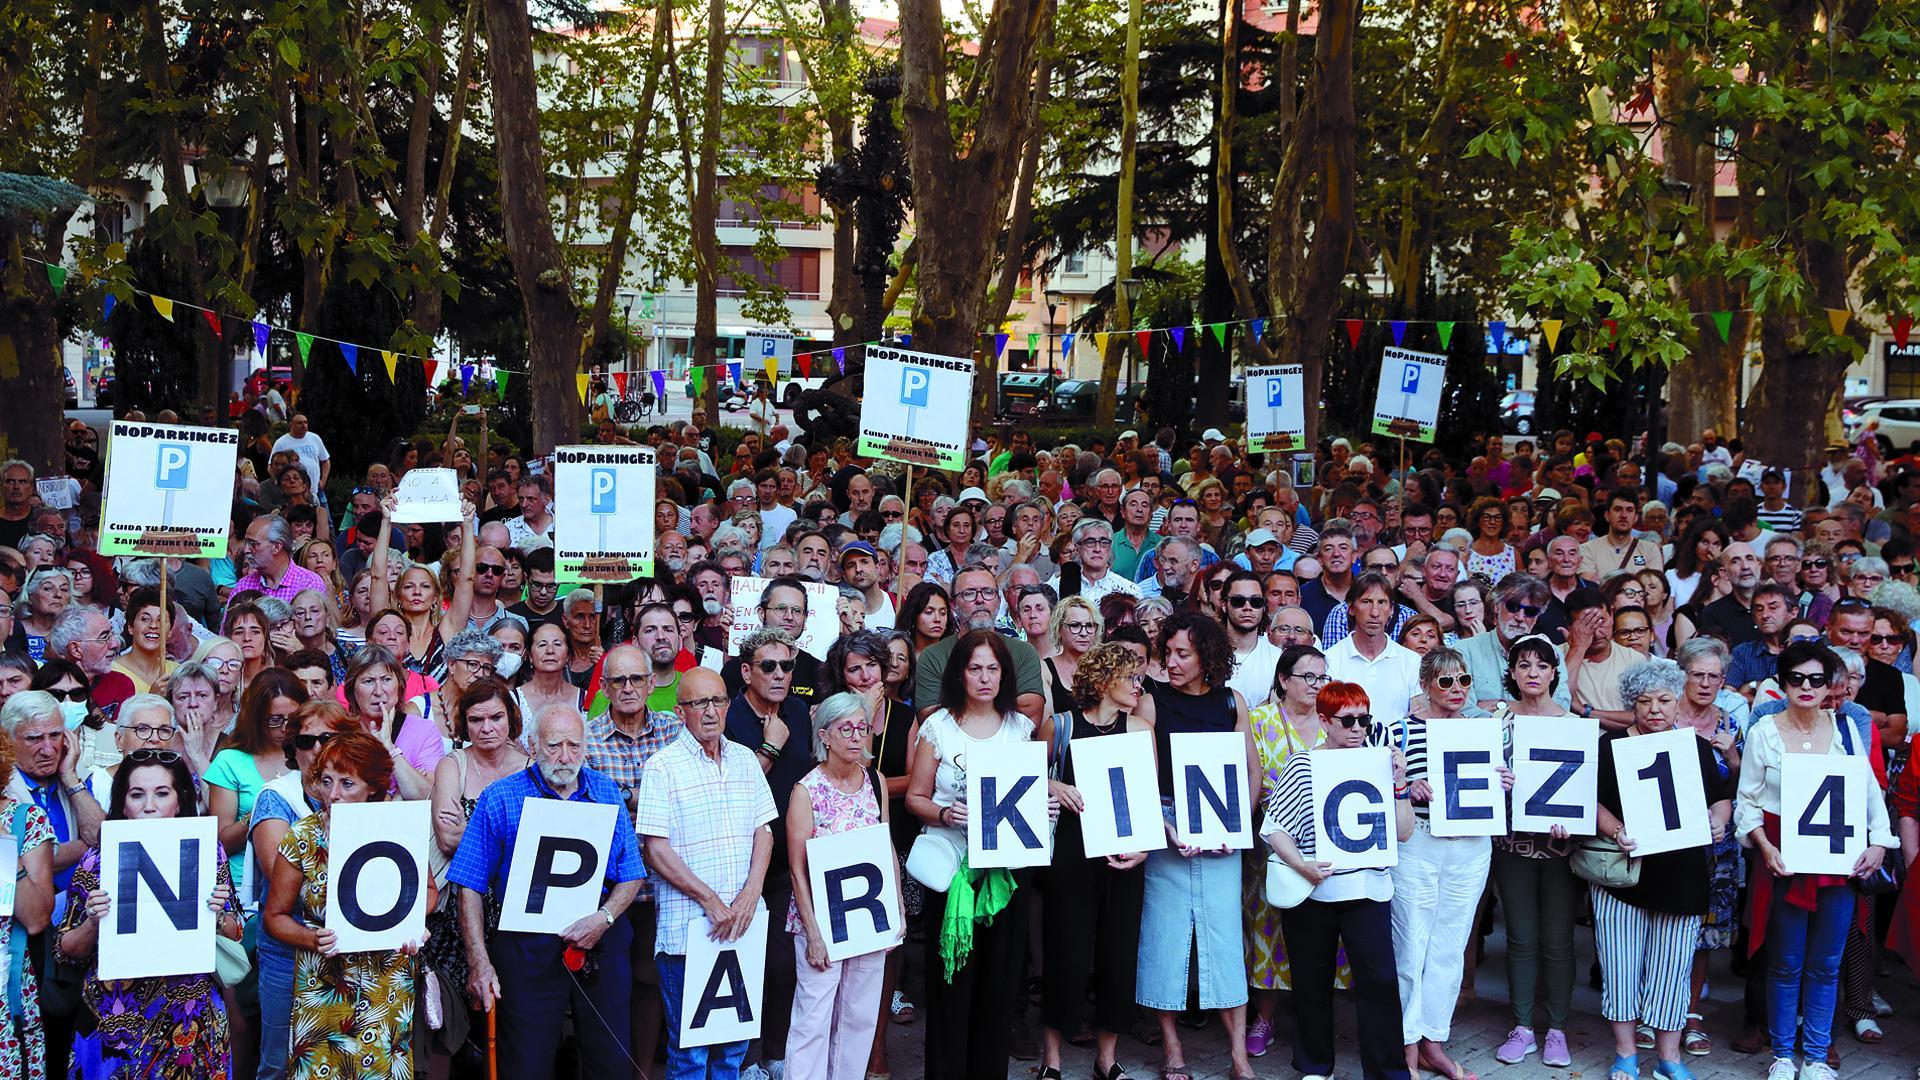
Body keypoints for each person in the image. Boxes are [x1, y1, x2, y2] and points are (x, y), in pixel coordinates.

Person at [451, 704, 644, 1079]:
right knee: (526, 1063)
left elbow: (632, 873)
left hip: (601, 936)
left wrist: (604, 918)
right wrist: (479, 961)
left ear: (586, 746)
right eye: (554, 745)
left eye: (574, 745)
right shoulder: (502, 797)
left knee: (611, 1061)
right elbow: (469, 883)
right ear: (532, 745)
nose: (565, 756)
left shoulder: (605, 791)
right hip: (526, 947)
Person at [1734, 642, 1896, 1080]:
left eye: (1817, 679)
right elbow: (1745, 801)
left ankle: (1818, 1057)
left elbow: (1868, 794)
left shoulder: (1844, 729)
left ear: (1830, 685)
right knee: (1784, 962)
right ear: (1782, 683)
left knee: (1826, 964)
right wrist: (1764, 847)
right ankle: (1783, 1055)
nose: (1806, 687)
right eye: (1796, 678)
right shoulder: (1765, 731)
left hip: (1836, 860)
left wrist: (1879, 843)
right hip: (1783, 859)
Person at [904, 629, 1053, 1080]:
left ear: (1004, 674)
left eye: (993, 668)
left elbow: (1028, 792)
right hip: (953, 876)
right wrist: (947, 814)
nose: (984, 677)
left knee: (1000, 983)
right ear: (960, 673)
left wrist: (1043, 802)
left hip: (1007, 875)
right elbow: (915, 797)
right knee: (952, 984)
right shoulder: (938, 727)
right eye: (975, 668)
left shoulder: (1020, 728)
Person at [55, 749, 242, 1079]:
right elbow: (66, 951)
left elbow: (234, 933)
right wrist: (94, 922)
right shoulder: (97, 860)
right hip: (113, 1022)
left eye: (162, 793)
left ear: (180, 799)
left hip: (190, 1018)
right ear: (123, 803)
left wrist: (217, 913)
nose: (149, 805)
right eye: (137, 794)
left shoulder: (208, 853)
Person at [1260, 680, 1414, 1080]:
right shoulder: (1304, 763)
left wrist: (1399, 783)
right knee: (1311, 981)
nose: (1357, 729)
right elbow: (1275, 828)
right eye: (1348, 721)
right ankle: (1315, 1066)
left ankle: (1387, 1071)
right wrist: (1302, 865)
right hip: (1314, 889)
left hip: (1369, 889)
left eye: (1364, 720)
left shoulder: (1381, 761)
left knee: (1379, 981)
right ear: (1325, 721)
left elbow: (1403, 831)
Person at [1593, 659, 1733, 1080]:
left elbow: (1720, 796)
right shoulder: (1611, 746)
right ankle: (1626, 1053)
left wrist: (1720, 819)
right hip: (1625, 874)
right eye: (1644, 701)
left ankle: (1670, 1058)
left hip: (1683, 874)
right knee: (1620, 965)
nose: (1654, 709)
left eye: (1664, 700)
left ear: (1678, 703)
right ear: (1631, 706)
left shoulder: (1696, 747)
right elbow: (1593, 803)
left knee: (1673, 969)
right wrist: (1616, 830)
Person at [634, 667, 776, 1078]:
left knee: (732, 1049)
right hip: (689, 934)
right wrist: (711, 902)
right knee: (690, 1055)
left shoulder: (746, 758)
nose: (710, 711)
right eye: (699, 703)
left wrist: (750, 894)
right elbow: (655, 849)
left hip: (743, 926)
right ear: (681, 712)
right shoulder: (663, 766)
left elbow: (763, 831)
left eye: (717, 700)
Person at [262, 731, 428, 1078]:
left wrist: (411, 922)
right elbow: (274, 917)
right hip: (323, 987)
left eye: (347, 784)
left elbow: (428, 891)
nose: (333, 795)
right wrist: (311, 939)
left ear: (373, 787)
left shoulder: (397, 826)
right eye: (326, 781)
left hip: (386, 983)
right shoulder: (303, 836)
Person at [1136, 613, 1257, 1080]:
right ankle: (1173, 1050)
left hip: (1222, 833)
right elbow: (1141, 777)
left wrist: (1235, 826)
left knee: (1226, 941)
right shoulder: (1151, 702)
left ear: (1207, 655)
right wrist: (1165, 828)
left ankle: (1238, 1056)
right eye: (1167, 653)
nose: (1172, 662)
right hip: (1168, 829)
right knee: (1163, 940)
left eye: (1182, 653)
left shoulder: (1232, 702)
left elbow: (1250, 773)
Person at [1037, 644, 1151, 1080]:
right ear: (1105, 681)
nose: (1139, 686)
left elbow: (1146, 795)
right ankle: (1052, 1057)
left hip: (1123, 852)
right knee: (1064, 949)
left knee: (1118, 953)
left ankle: (1107, 1058)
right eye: (1132, 678)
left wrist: (1143, 848)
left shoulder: (1139, 728)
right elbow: (1024, 773)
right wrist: (1053, 784)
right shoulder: (1061, 726)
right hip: (1070, 851)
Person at [784, 692, 900, 1080]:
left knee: (860, 1017)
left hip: (868, 915)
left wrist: (896, 910)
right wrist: (814, 933)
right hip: (821, 920)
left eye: (862, 728)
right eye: (845, 728)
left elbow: (885, 847)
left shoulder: (874, 780)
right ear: (825, 735)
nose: (855, 737)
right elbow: (797, 870)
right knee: (813, 1017)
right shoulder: (806, 790)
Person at [246, 700, 359, 1080]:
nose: (317, 749)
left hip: (357, 951)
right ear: (293, 748)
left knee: (348, 1060)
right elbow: (280, 880)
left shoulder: (370, 799)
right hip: (289, 951)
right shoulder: (276, 797)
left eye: (328, 738)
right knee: (281, 1060)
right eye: (306, 740)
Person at [1489, 634, 1579, 1068]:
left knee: (1559, 940)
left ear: (1554, 674)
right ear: (1512, 673)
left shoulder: (1574, 724)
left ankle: (1557, 1029)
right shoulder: (1497, 722)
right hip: (1512, 845)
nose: (1532, 673)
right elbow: (1475, 781)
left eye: (1541, 666)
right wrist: (1496, 783)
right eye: (1523, 665)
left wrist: (1574, 821)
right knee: (1521, 937)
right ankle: (1523, 1026)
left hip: (1560, 849)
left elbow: (1585, 789)